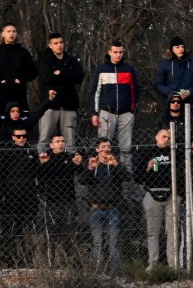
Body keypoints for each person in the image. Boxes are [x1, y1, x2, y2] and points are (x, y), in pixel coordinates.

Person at [74, 138, 127, 269]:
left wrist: (116, 165)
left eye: (108, 147)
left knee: (113, 243)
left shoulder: (115, 165)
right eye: (103, 147)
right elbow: (81, 180)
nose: (106, 149)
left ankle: (115, 272)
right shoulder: (92, 164)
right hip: (96, 209)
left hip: (113, 208)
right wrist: (90, 168)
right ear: (97, 149)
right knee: (97, 242)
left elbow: (127, 178)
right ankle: (96, 270)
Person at [137, 128, 179, 266]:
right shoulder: (146, 152)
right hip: (152, 194)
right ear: (156, 137)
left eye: (169, 138)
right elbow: (137, 177)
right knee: (153, 232)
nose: (166, 140)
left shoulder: (175, 153)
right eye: (164, 137)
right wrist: (148, 168)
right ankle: (153, 264)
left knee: (173, 232)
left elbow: (182, 173)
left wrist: (179, 195)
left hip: (171, 195)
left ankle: (173, 264)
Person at [89, 42, 139, 157]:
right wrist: (94, 113)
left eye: (121, 52)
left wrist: (133, 111)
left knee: (126, 147)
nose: (118, 55)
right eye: (115, 52)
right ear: (109, 52)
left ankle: (126, 173)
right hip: (106, 113)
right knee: (103, 146)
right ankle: (102, 173)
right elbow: (95, 92)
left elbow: (135, 91)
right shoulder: (101, 69)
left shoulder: (129, 70)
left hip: (126, 114)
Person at [36, 33, 86, 145]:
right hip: (50, 104)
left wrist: (62, 72)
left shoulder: (71, 60)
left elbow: (79, 77)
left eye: (61, 42)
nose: (59, 45)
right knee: (44, 139)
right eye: (56, 43)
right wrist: (68, 77)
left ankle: (71, 161)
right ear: (50, 45)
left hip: (69, 104)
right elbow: (46, 78)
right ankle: (42, 161)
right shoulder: (44, 60)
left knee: (70, 141)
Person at [0, 23, 38, 111]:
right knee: (2, 121)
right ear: (3, 34)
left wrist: (21, 79)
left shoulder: (23, 53)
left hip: (19, 94)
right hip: (2, 94)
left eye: (14, 31)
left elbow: (33, 71)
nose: (11, 33)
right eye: (8, 31)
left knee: (22, 121)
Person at [154, 37, 193, 107]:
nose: (181, 49)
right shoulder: (165, 65)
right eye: (177, 47)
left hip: (190, 105)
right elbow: (158, 85)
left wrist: (190, 91)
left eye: (182, 46)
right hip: (171, 105)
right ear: (172, 49)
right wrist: (172, 93)